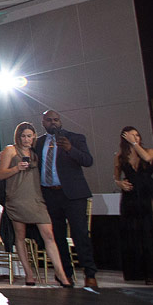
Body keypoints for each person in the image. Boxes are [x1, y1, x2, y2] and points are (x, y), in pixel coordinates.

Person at [0, 123, 72, 287]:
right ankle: (28, 274)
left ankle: (61, 273)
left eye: (29, 136)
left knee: (49, 235)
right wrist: (17, 167)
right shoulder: (10, 150)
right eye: (23, 136)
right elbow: (1, 174)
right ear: (18, 136)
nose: (26, 139)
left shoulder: (36, 152)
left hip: (36, 198)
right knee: (20, 236)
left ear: (34, 136)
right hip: (17, 198)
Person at [34, 110, 97, 288]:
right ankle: (65, 274)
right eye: (49, 120)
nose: (53, 123)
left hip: (73, 195)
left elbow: (88, 160)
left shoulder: (76, 138)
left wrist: (70, 149)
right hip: (49, 194)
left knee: (80, 234)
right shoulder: (38, 143)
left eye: (56, 120)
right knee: (57, 236)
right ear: (43, 122)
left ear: (60, 121)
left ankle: (89, 273)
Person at [115, 127, 153, 284]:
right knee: (133, 233)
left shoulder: (149, 151)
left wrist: (134, 144)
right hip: (130, 197)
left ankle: (151, 274)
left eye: (137, 135)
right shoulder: (119, 157)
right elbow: (116, 177)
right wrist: (120, 183)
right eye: (132, 135)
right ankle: (136, 272)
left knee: (148, 233)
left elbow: (146, 158)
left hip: (148, 194)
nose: (136, 137)